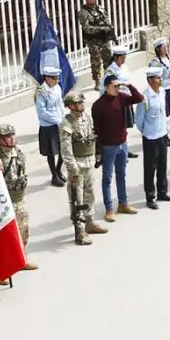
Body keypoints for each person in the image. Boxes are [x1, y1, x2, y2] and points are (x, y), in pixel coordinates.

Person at [93, 74, 143, 218]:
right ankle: (109, 208)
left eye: (118, 86)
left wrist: (128, 85)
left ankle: (123, 203)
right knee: (107, 178)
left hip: (122, 143)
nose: (117, 89)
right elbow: (97, 130)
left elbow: (139, 98)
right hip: (109, 146)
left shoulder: (121, 97)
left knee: (121, 175)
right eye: (114, 86)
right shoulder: (98, 105)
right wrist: (99, 151)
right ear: (107, 87)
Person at [0, 123, 38, 265]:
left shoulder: (18, 152)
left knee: (23, 231)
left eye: (12, 135)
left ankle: (21, 260)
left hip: (19, 199)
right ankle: (3, 268)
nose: (11, 138)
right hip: (3, 202)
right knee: (5, 237)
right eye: (7, 136)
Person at [63, 91, 103, 244]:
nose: (82, 105)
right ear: (72, 106)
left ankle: (90, 221)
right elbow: (66, 149)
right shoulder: (66, 124)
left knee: (90, 194)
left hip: (88, 162)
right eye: (79, 103)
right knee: (77, 199)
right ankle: (79, 231)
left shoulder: (86, 118)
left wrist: (96, 154)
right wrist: (73, 169)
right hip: (77, 166)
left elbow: (92, 136)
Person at [139, 65, 170, 208]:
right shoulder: (145, 98)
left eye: (160, 77)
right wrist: (146, 131)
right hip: (151, 137)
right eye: (158, 77)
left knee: (162, 165)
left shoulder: (162, 93)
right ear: (150, 80)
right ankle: (150, 197)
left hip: (162, 134)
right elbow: (139, 120)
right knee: (150, 168)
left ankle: (162, 192)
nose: (160, 80)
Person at [35, 64, 66, 186]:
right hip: (48, 125)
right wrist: (57, 120)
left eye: (57, 78)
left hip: (59, 122)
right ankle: (54, 175)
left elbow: (60, 104)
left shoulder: (57, 88)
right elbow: (42, 112)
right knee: (51, 152)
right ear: (47, 78)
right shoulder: (41, 92)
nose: (57, 80)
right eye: (54, 78)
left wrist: (63, 117)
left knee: (63, 149)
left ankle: (58, 170)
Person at [76, 0, 115, 79]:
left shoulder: (100, 8)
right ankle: (97, 80)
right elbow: (86, 28)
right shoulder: (83, 12)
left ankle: (108, 78)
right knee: (96, 61)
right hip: (93, 40)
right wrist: (100, 29)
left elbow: (107, 20)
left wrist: (109, 28)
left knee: (108, 59)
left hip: (104, 38)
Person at [151, 37, 170, 115]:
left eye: (166, 46)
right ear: (158, 49)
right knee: (162, 113)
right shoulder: (155, 62)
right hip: (162, 90)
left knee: (167, 114)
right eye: (164, 46)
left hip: (169, 88)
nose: (166, 48)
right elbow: (153, 77)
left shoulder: (168, 59)